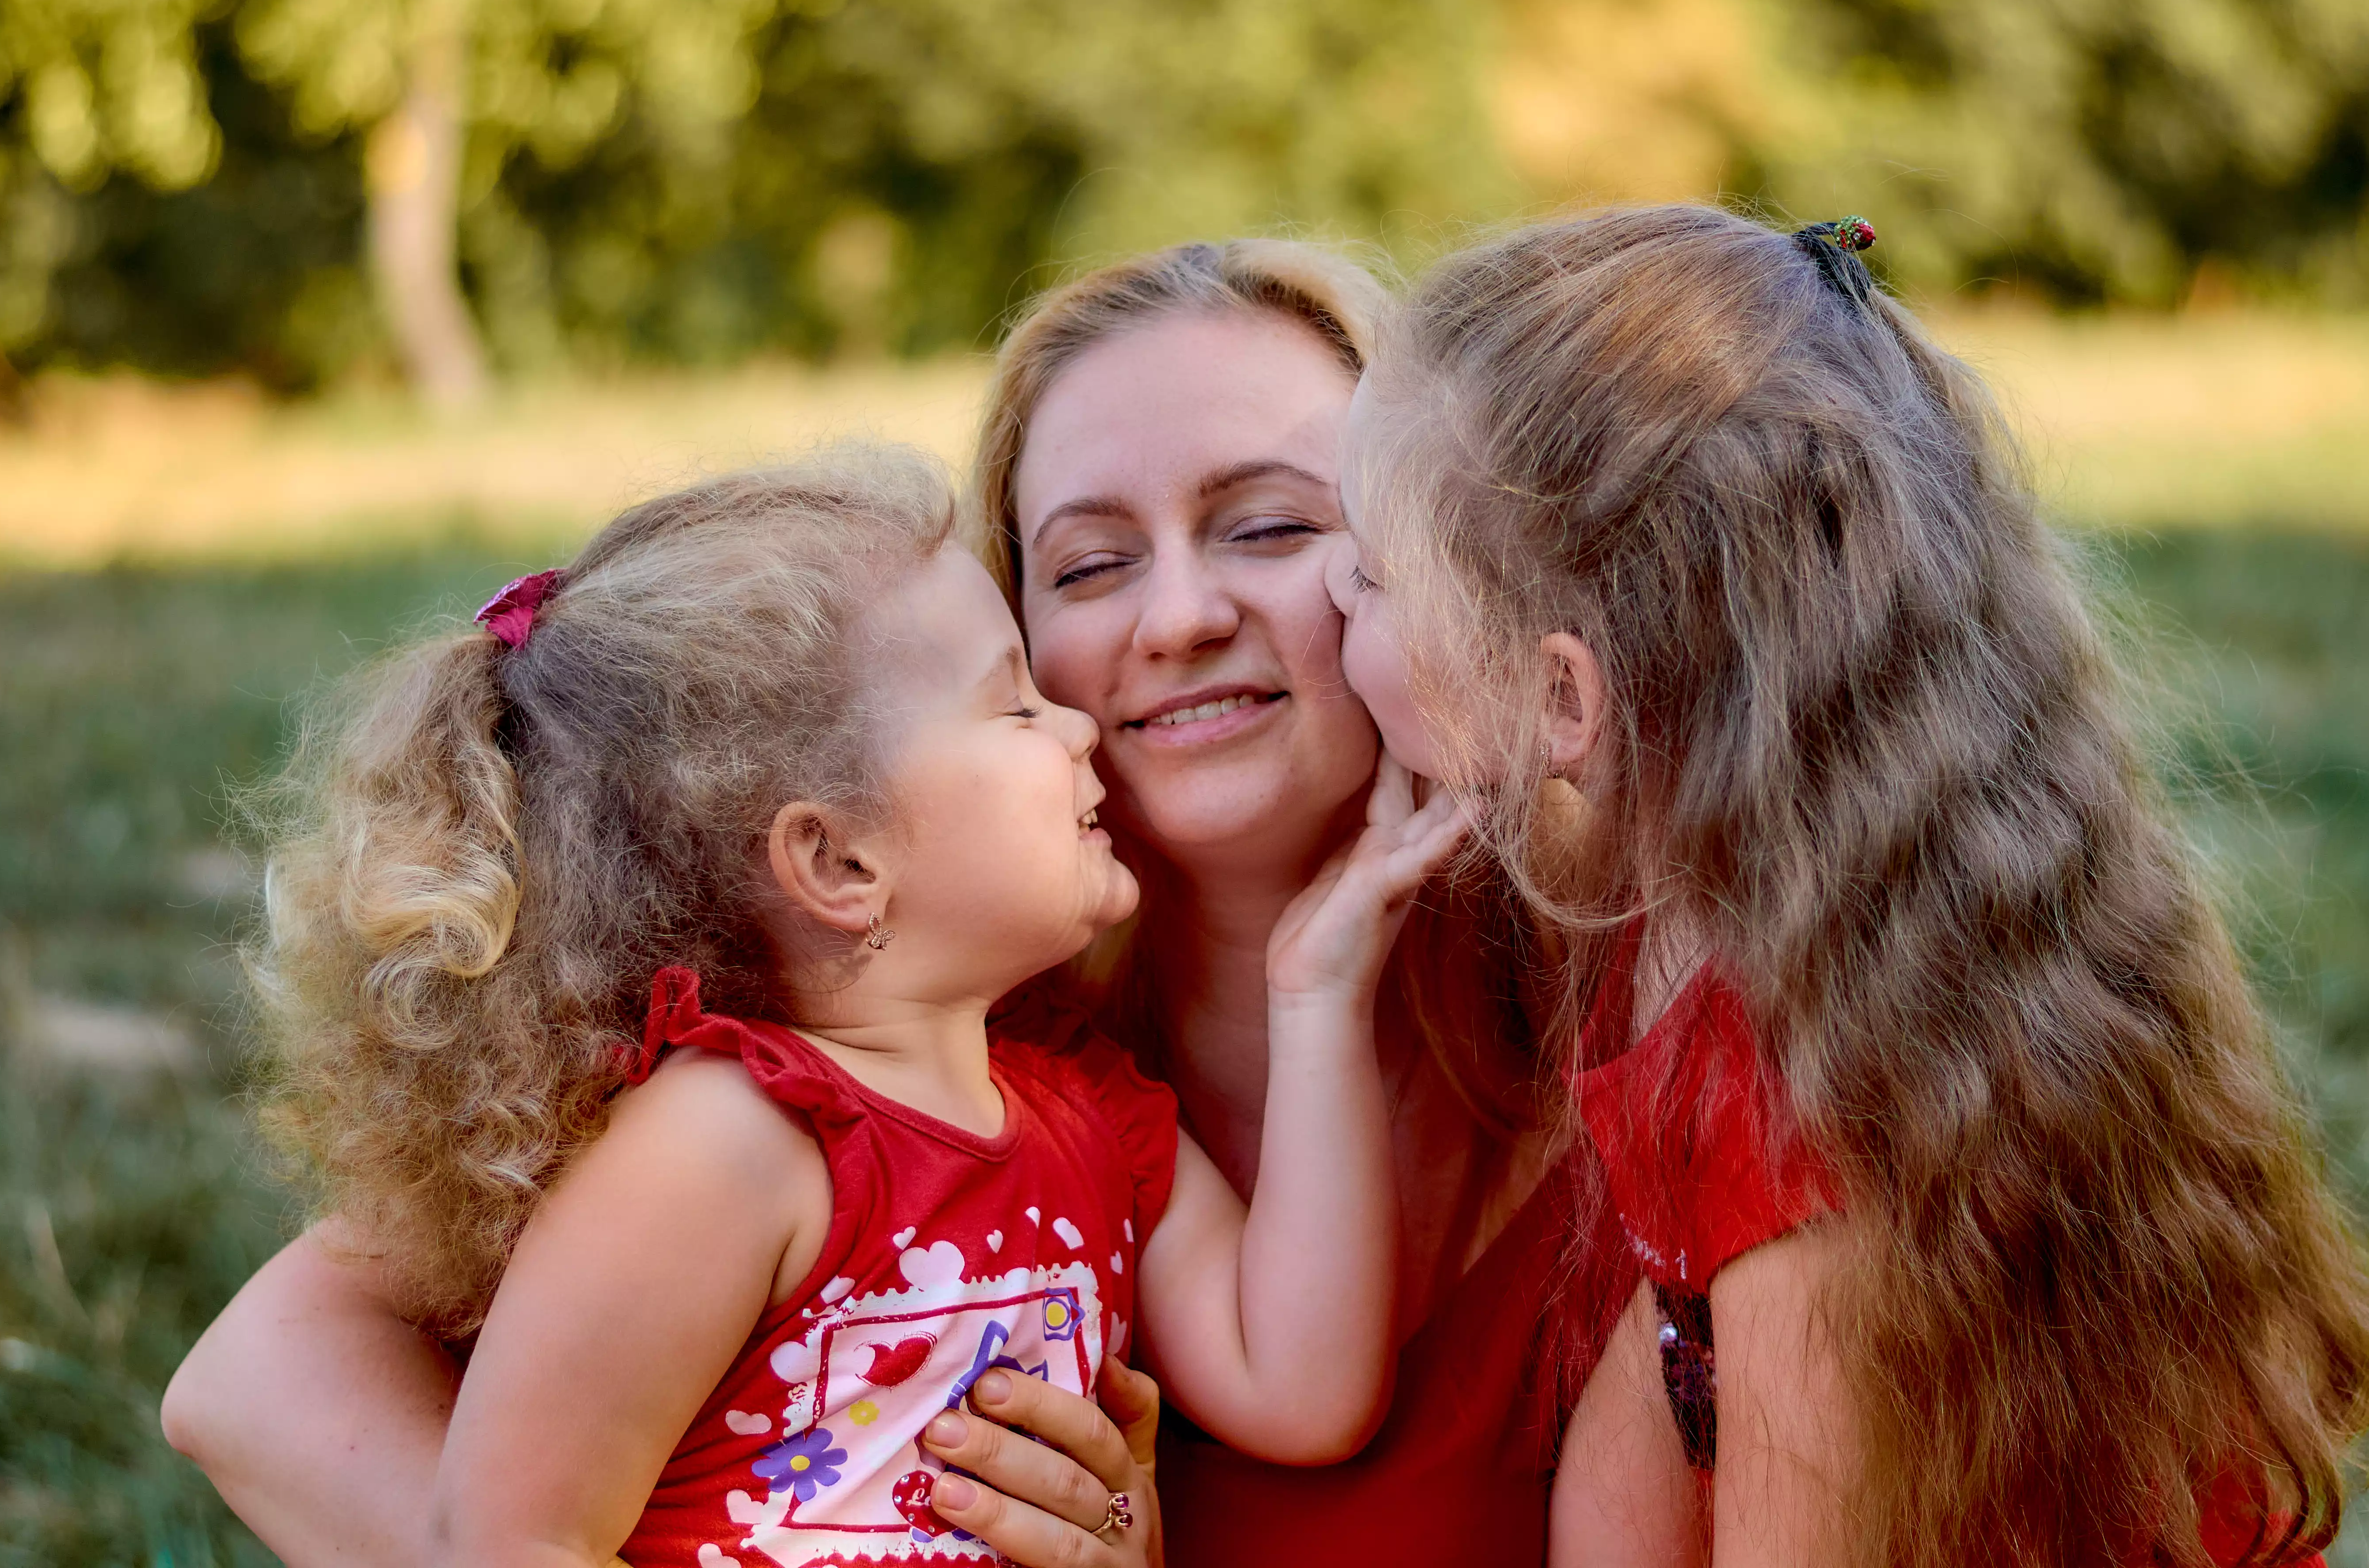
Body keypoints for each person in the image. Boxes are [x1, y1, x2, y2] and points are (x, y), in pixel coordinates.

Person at [165, 242, 1698, 1568]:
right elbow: (259, 1380)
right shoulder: (879, 1052)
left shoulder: (1651, 1024)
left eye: (1274, 528)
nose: (1178, 618)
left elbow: (1305, 1387)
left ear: (1432, 567)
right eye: (1087, 567)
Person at [1326, 204, 2369, 1566]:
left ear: (1560, 699)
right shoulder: (1728, 909)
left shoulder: (1802, 1122)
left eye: (1373, 575)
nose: (1331, 593)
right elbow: (1652, 1415)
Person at [229, 449, 1466, 1567]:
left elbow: (1301, 1390)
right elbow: (508, 1538)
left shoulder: (1089, 1114)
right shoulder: (727, 1143)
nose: (1079, 727)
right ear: (838, 862)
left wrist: (1317, 993)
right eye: (1015, 706)